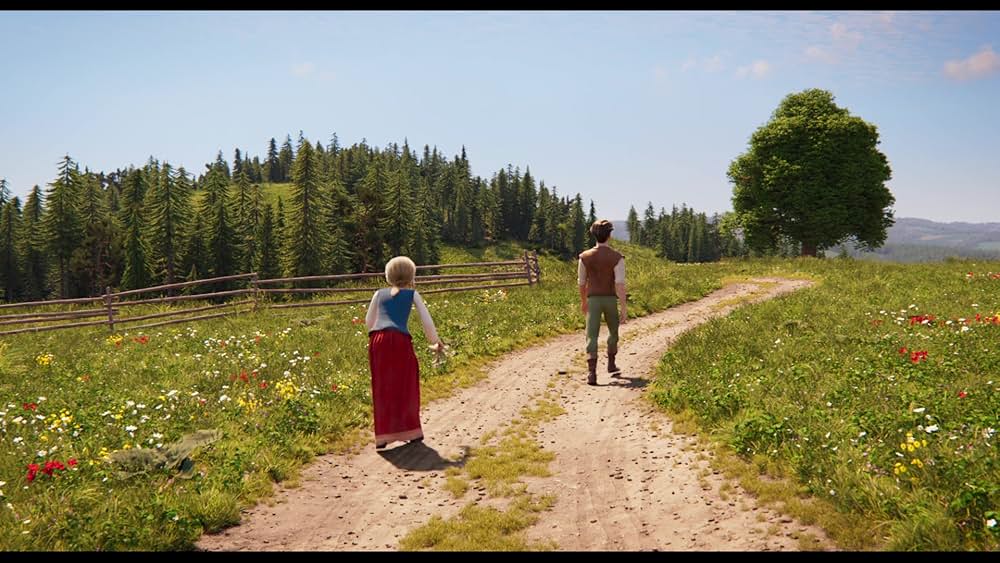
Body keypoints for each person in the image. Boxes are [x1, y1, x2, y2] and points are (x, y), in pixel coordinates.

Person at [365, 256, 445, 449]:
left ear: (388, 275)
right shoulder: (412, 294)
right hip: (399, 340)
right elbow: (427, 322)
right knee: (406, 383)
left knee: (382, 386)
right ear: (411, 275)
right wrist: (435, 341)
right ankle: (411, 430)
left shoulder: (379, 294)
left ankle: (382, 436)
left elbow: (369, 322)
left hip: (377, 340)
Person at [578, 219, 627, 385]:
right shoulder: (617, 257)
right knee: (613, 331)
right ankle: (611, 364)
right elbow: (619, 284)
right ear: (609, 235)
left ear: (594, 235)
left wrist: (583, 301)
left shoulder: (584, 257)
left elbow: (581, 283)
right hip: (610, 299)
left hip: (593, 299)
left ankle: (591, 373)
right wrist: (623, 307)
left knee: (591, 335)